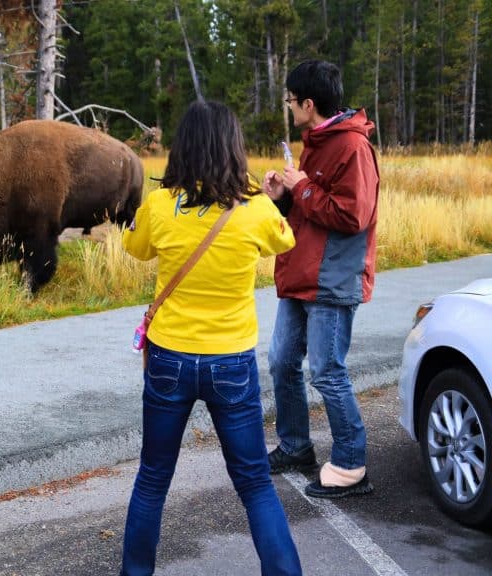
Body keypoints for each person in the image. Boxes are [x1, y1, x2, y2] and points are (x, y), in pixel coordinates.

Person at [120, 100, 301, 576]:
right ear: (233, 148)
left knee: (153, 479)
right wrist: (275, 195)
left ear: (183, 148)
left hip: (168, 358)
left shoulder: (160, 204)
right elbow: (285, 240)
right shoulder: (256, 209)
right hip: (231, 362)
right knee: (255, 483)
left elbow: (134, 247)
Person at [263, 60, 380, 498]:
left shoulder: (351, 147)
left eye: (292, 100)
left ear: (308, 104)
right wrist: (283, 196)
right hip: (301, 272)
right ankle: (296, 446)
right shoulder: (317, 141)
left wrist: (303, 185)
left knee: (328, 371)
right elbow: (309, 210)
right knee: (281, 361)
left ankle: (351, 464)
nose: (289, 107)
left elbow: (353, 215)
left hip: (331, 278)